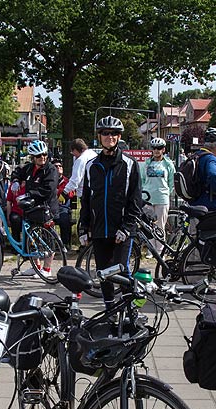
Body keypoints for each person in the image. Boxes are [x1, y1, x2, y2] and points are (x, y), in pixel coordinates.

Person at [78, 116, 143, 308]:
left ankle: (130, 310)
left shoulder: (129, 164)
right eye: (106, 133)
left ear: (119, 136)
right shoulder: (92, 165)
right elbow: (87, 199)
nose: (110, 137)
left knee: (121, 272)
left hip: (121, 230)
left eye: (114, 133)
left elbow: (135, 200)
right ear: (99, 136)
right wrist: (83, 227)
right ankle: (109, 311)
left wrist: (126, 227)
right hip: (99, 229)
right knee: (103, 273)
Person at [11, 139, 59, 278]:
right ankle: (36, 266)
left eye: (44, 154)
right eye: (38, 156)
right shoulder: (29, 168)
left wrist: (28, 194)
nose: (42, 158)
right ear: (33, 157)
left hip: (46, 208)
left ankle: (47, 268)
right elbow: (18, 172)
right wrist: (15, 181)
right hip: (31, 209)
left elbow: (48, 189)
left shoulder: (51, 170)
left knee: (48, 239)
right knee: (31, 238)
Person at [140, 137, 175, 258]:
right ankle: (151, 250)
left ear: (163, 149)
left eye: (159, 148)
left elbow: (171, 181)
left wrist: (166, 193)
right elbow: (142, 179)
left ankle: (160, 251)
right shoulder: (146, 163)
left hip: (162, 198)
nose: (156, 151)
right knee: (149, 226)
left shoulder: (168, 164)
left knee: (160, 226)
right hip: (148, 198)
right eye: (154, 148)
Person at [189, 127, 216, 212]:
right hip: (209, 205)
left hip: (194, 202)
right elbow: (213, 174)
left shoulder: (196, 155)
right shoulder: (210, 158)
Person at [52, 158, 72, 249]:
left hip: (63, 208)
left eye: (60, 166)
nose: (58, 167)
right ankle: (49, 243)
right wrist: (61, 192)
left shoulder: (67, 181)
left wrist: (57, 191)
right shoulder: (49, 180)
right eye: (56, 166)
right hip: (51, 208)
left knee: (64, 218)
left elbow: (70, 193)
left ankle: (65, 244)